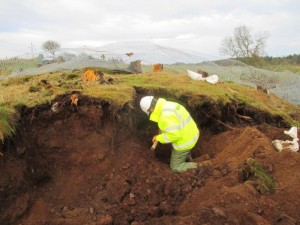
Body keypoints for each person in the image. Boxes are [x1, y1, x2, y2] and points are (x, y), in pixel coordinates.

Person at [140, 96, 200, 173]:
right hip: (192, 133)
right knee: (184, 153)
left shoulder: (164, 116)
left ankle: (200, 166)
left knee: (175, 167)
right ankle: (188, 159)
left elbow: (174, 135)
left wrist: (158, 138)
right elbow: (175, 122)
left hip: (185, 142)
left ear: (150, 109)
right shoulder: (168, 105)